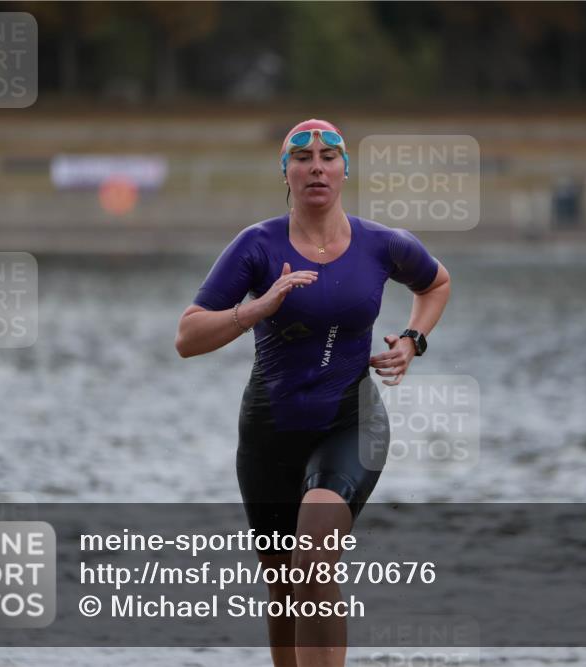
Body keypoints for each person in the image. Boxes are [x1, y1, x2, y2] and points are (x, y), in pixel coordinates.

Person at [175, 119, 451, 667]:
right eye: (303, 159)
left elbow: (436, 282)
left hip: (350, 421)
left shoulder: (383, 244)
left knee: (315, 558)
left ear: (345, 171)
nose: (317, 166)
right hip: (269, 430)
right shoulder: (257, 246)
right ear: (286, 174)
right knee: (284, 592)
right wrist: (257, 307)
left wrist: (414, 340)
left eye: (329, 156)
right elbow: (187, 336)